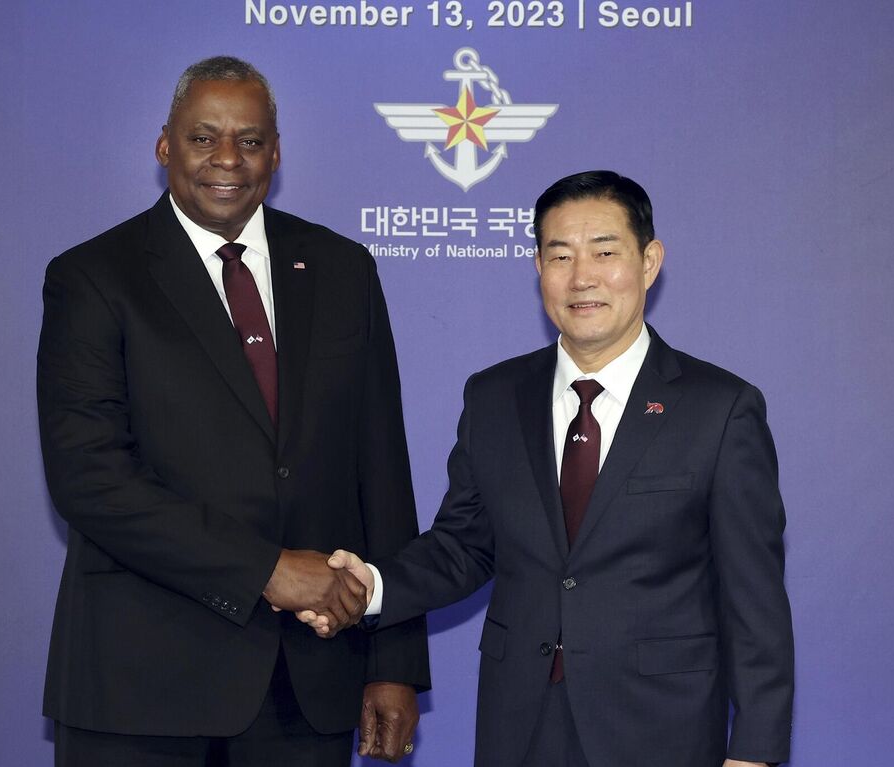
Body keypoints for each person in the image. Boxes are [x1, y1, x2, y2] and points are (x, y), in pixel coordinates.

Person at [300, 171, 794, 766]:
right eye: (560, 255)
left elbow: (755, 601)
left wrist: (756, 752)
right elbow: (464, 546)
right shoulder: (494, 396)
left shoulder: (720, 409)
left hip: (663, 728)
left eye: (605, 252)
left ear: (649, 260)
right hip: (522, 723)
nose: (582, 276)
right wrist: (369, 587)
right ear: (538, 268)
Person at [35, 56, 428, 766]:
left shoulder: (343, 269)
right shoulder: (93, 277)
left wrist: (393, 659)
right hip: (138, 690)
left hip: (303, 689)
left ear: (275, 154)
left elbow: (382, 473)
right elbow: (90, 479)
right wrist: (265, 568)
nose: (227, 159)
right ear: (164, 147)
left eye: (249, 141)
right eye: (202, 137)